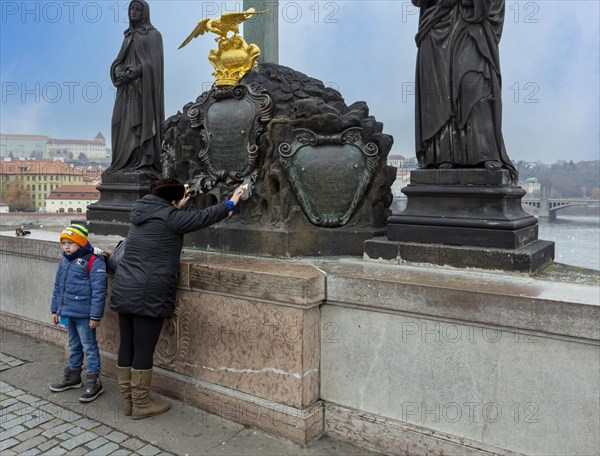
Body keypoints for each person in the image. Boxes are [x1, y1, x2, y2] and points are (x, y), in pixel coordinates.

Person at [109, 179, 245, 419]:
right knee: (143, 349)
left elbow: (165, 217)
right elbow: (204, 217)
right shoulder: (172, 218)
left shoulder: (140, 212)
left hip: (125, 286)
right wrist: (231, 202)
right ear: (172, 201)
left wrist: (176, 205)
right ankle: (141, 404)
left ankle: (129, 402)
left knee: (127, 345)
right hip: (148, 291)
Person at [412, 0, 516, 180]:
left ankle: (485, 151)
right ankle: (442, 155)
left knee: (475, 84)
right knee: (439, 94)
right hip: (436, 26)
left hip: (472, 25)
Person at [50, 224, 108, 402]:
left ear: (82, 243)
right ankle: (73, 376)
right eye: (64, 243)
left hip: (84, 315)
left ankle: (94, 381)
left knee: (89, 347)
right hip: (67, 312)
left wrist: (95, 316)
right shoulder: (65, 260)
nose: (66, 247)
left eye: (71, 243)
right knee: (74, 345)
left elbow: (99, 291)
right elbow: (58, 287)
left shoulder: (93, 261)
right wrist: (55, 309)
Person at [107, 0, 164, 175]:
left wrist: (135, 72)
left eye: (137, 9)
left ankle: (141, 161)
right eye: (131, 9)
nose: (133, 12)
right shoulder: (128, 36)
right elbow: (119, 61)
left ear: (145, 12)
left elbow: (155, 64)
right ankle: (122, 164)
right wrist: (118, 71)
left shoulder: (153, 35)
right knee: (119, 122)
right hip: (126, 90)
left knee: (139, 122)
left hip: (143, 90)